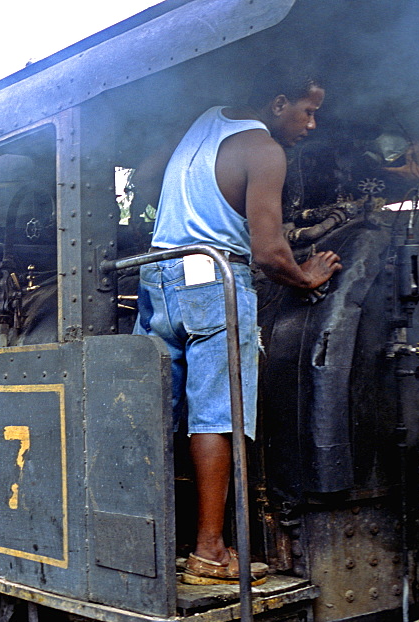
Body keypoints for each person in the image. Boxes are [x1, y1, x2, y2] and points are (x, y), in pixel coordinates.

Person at [134, 70, 343, 585]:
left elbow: (144, 177)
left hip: (159, 276)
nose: (313, 124)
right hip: (213, 283)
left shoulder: (205, 122)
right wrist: (305, 275)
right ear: (277, 102)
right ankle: (209, 551)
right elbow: (270, 253)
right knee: (218, 419)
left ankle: (144, 544)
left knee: (157, 412)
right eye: (308, 110)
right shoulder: (265, 150)